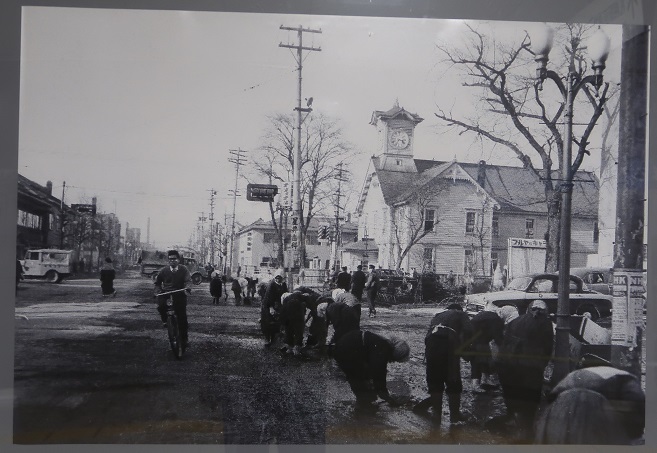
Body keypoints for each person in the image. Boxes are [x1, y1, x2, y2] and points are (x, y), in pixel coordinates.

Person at [534, 363, 645, 444]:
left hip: (559, 407)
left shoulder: (618, 377)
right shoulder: (630, 382)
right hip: (586, 407)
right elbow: (634, 414)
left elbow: (552, 398)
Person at [495, 299, 554, 437]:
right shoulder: (545, 323)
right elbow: (548, 348)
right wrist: (542, 365)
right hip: (530, 367)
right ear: (545, 312)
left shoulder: (515, 321)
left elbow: (504, 344)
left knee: (513, 394)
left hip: (508, 366)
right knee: (530, 398)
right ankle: (525, 429)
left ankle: (514, 419)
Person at [413, 303, 474, 425]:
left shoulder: (438, 315)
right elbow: (469, 330)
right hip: (449, 345)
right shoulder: (461, 314)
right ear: (457, 309)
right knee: (453, 381)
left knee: (435, 381)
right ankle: (455, 416)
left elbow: (427, 337)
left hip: (431, 347)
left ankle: (436, 415)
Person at [333, 329, 410, 410]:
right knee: (356, 378)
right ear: (395, 355)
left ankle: (365, 399)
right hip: (346, 351)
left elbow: (376, 371)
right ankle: (363, 407)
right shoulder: (382, 351)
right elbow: (379, 373)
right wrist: (385, 395)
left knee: (363, 376)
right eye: (395, 360)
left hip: (346, 345)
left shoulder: (383, 344)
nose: (392, 362)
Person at [154, 250, 192, 348]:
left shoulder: (184, 269)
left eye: (174, 259)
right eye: (170, 259)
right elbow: (157, 283)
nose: (172, 261)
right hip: (166, 293)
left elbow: (188, 281)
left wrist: (187, 288)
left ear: (178, 260)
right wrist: (157, 291)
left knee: (182, 317)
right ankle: (165, 321)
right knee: (160, 305)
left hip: (179, 293)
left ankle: (184, 338)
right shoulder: (164, 270)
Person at [468, 307, 504, 393]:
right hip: (480, 340)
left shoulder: (487, 314)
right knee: (478, 359)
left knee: (485, 356)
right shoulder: (497, 320)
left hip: (474, 335)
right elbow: (498, 339)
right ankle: (475, 385)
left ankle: (485, 380)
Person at [260, 270, 288, 347]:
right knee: (267, 323)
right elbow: (268, 298)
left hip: (279, 306)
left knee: (277, 323)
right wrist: (271, 307)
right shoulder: (271, 285)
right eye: (277, 277)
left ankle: (274, 339)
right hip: (268, 306)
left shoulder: (284, 285)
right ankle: (267, 339)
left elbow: (285, 294)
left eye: (280, 278)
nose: (278, 279)